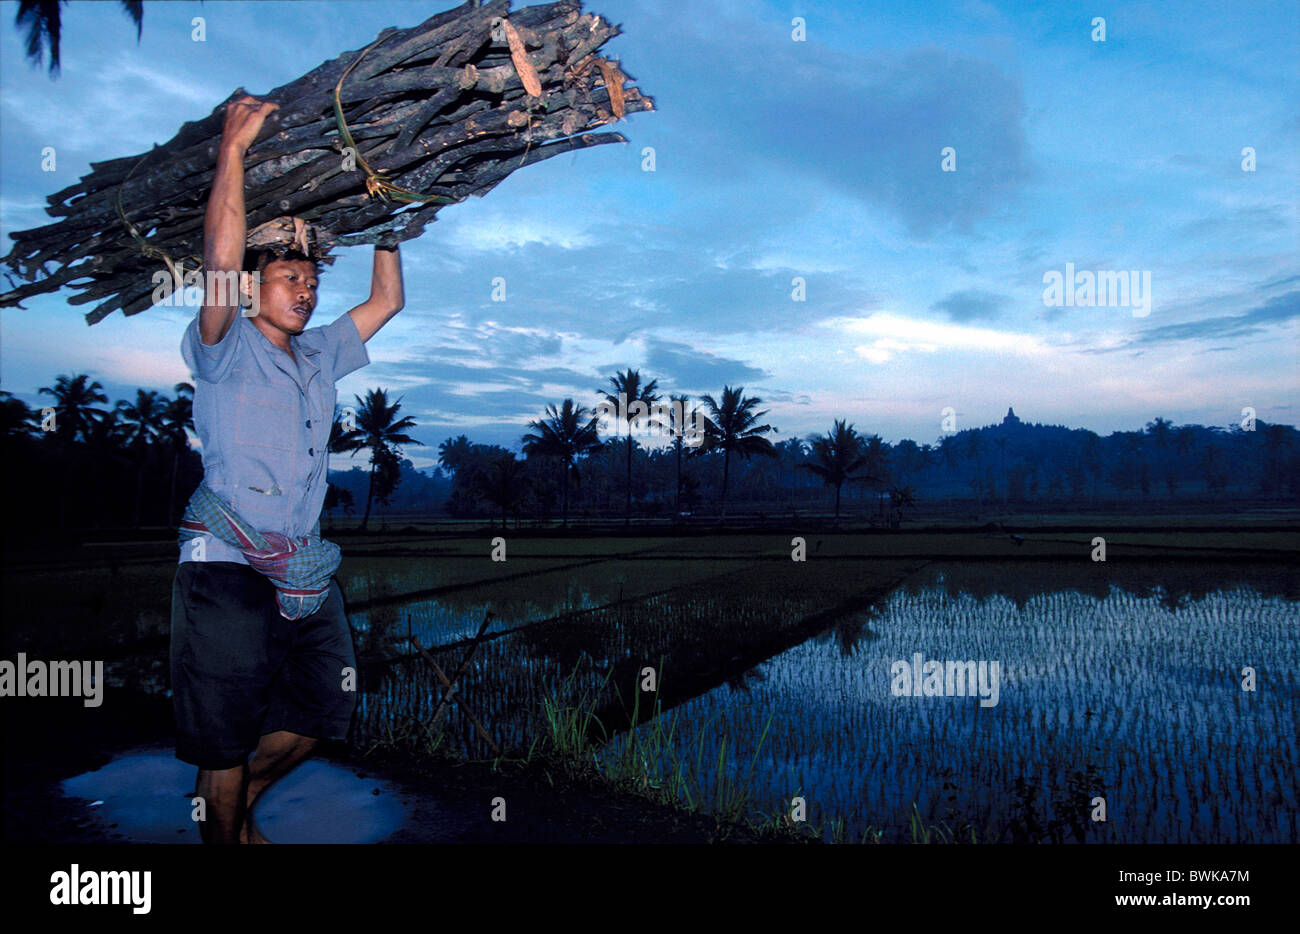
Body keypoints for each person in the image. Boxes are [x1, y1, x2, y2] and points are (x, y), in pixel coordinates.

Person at [171, 94, 406, 844]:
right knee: (224, 739)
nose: (305, 291)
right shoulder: (223, 342)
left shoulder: (321, 353)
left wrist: (391, 208)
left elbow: (388, 298)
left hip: (302, 567)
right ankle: (226, 825)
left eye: (311, 281)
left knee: (320, 712)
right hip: (227, 567)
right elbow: (218, 259)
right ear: (251, 287)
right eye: (287, 279)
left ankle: (229, 812)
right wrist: (233, 151)